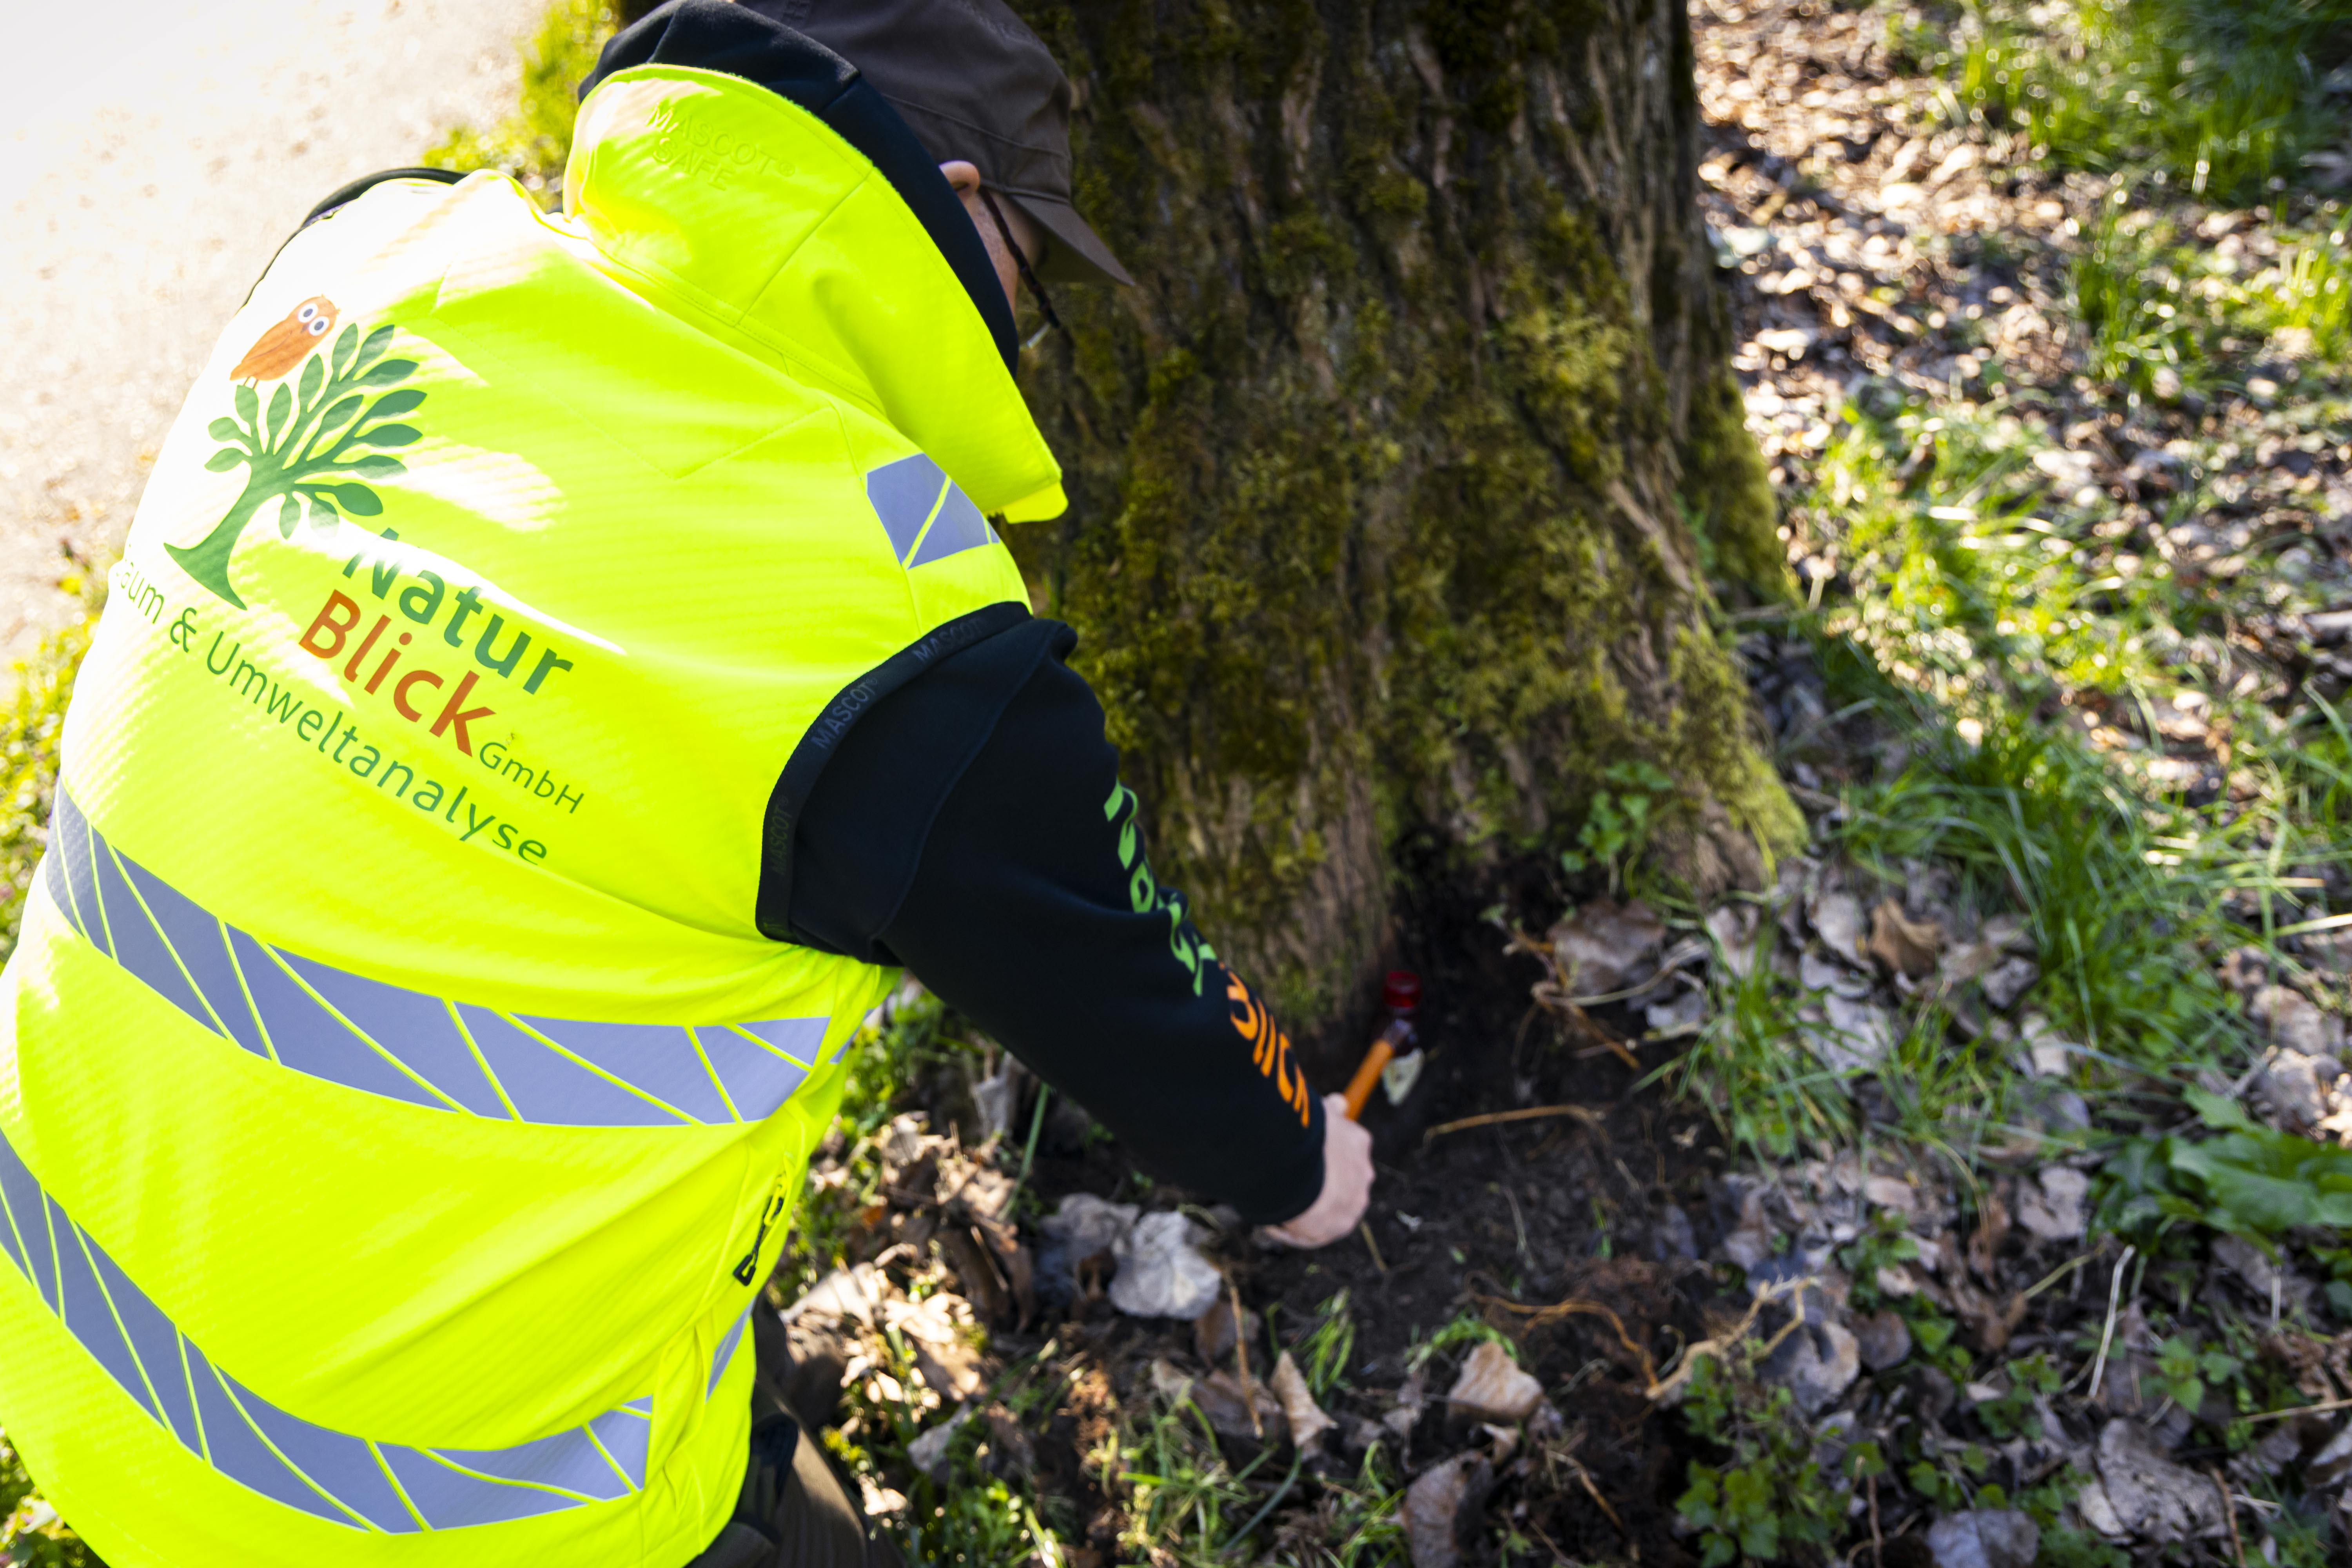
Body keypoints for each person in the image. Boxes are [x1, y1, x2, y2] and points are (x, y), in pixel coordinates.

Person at [0, 2, 1374, 1564]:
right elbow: (1144, 1008)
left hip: (49, 1334)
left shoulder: (368, 248)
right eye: (1033, 266)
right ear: (966, 192)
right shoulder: (906, 638)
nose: (1026, 308)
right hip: (419, 1521)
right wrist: (1307, 1161)